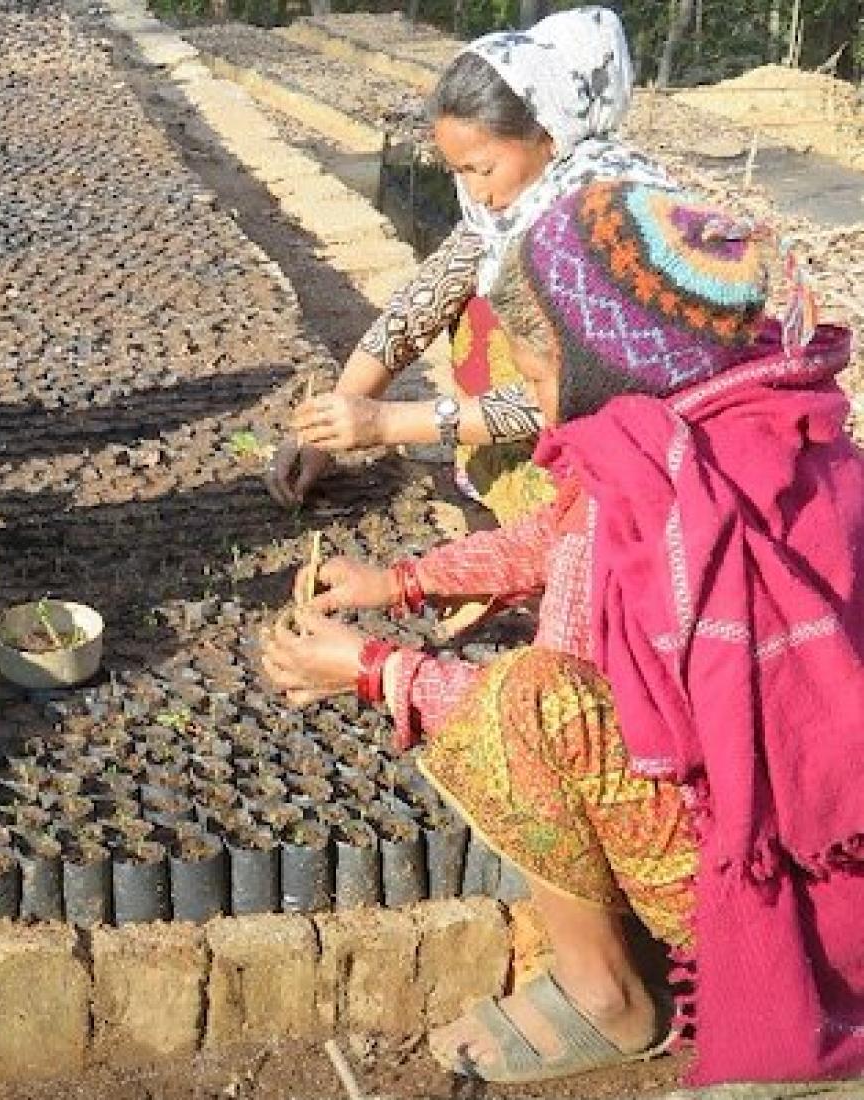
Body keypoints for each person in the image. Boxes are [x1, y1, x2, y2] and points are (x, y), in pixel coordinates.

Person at [261, 182, 864, 1085]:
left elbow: (569, 711)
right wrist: (403, 581)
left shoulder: (684, 504)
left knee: (526, 700)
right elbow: (560, 532)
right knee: (540, 689)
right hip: (809, 849)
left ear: (607, 359)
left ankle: (609, 996)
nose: (529, 388)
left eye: (539, 365)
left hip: (776, 879)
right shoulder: (725, 426)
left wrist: (376, 667)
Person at [266, 7, 673, 525]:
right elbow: (416, 310)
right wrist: (325, 427)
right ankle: (500, 489)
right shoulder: (505, 209)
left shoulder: (610, 220)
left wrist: (387, 424)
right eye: (459, 173)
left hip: (604, 489)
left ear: (550, 134)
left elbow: (567, 393)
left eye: (482, 170)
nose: (476, 192)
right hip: (513, 470)